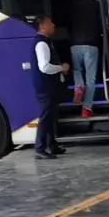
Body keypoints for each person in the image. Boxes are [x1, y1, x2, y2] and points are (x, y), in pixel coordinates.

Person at [31, 15, 70, 159]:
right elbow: (45, 67)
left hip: (48, 86)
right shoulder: (41, 44)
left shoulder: (45, 42)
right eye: (49, 23)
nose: (53, 25)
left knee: (50, 116)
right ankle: (40, 148)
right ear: (42, 26)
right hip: (45, 87)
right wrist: (61, 68)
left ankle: (51, 145)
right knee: (46, 116)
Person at [70, 0, 102, 119]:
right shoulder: (96, 5)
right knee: (91, 78)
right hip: (92, 45)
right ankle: (86, 109)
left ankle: (78, 86)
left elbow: (68, 24)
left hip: (75, 44)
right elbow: (101, 24)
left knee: (77, 69)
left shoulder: (72, 5)